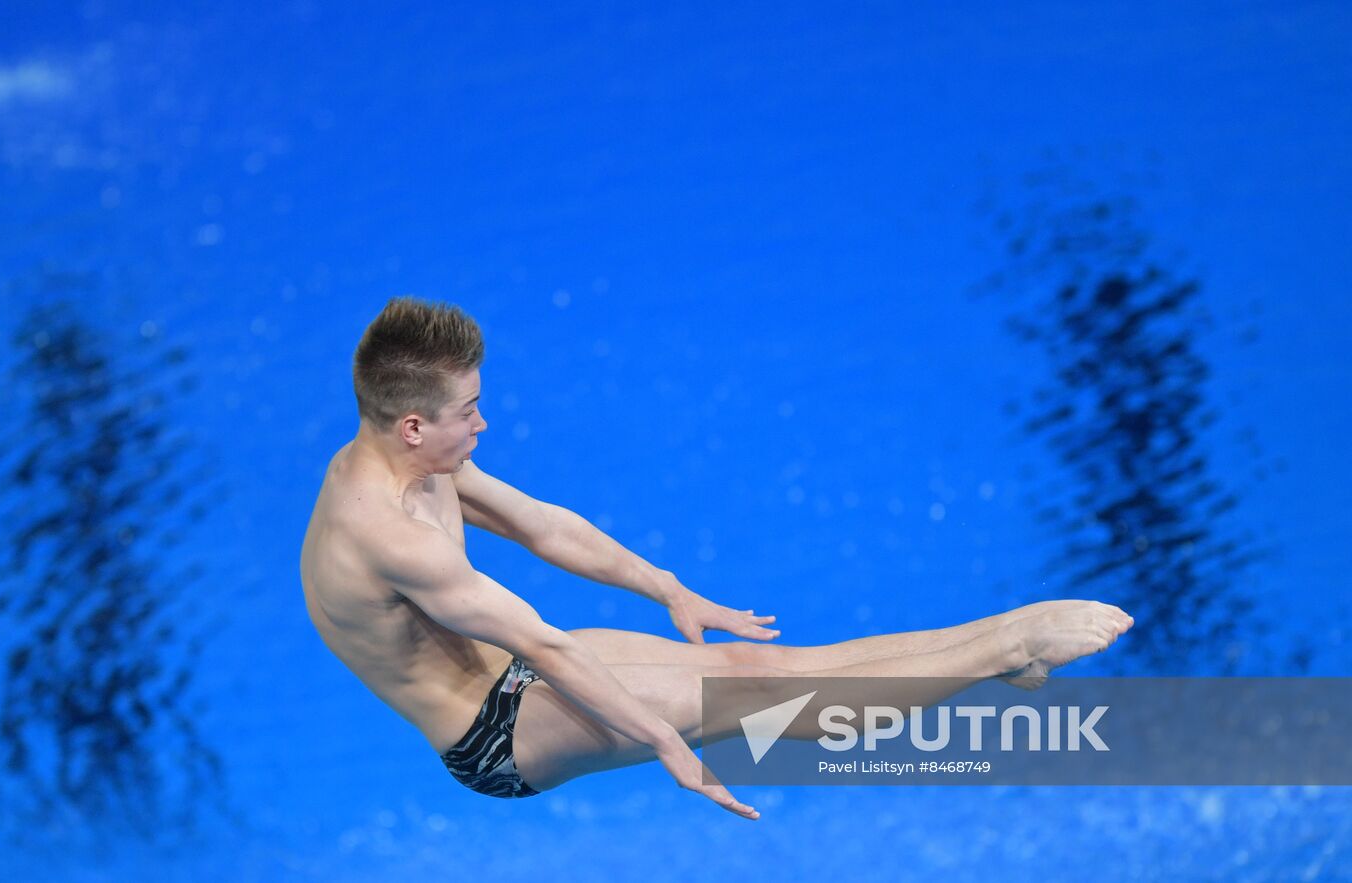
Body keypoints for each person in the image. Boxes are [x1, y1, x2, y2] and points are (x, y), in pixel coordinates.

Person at [299, 296, 1133, 820]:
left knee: (754, 663)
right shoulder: (385, 534)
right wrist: (666, 741)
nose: (484, 425)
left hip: (513, 676)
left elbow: (546, 528)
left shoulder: (419, 459)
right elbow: (544, 644)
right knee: (762, 695)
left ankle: (993, 653)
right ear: (413, 423)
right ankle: (1006, 646)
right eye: (471, 411)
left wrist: (671, 589)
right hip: (497, 733)